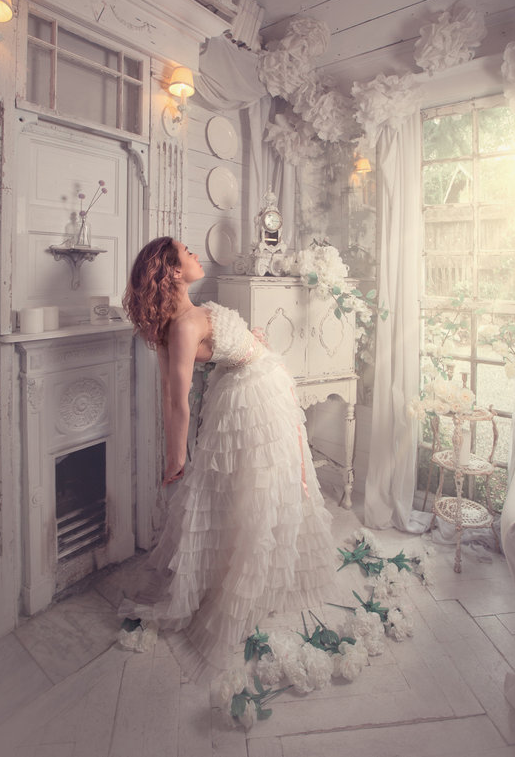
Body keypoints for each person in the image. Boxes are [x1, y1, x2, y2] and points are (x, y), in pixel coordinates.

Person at [119, 236, 353, 681]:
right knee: (258, 487)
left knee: (259, 485)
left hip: (252, 380)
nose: (193, 254)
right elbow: (176, 399)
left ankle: (259, 573)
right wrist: (175, 459)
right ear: (170, 270)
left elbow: (215, 350)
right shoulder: (183, 325)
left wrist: (247, 341)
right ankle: (247, 581)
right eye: (185, 252)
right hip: (251, 395)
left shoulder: (185, 316)